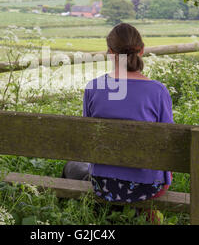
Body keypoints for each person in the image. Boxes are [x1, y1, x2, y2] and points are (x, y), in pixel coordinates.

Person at [62, 22, 173, 223]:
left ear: (110, 52)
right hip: (149, 187)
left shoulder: (94, 88)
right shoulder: (158, 91)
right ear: (142, 51)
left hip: (104, 185)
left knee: (72, 166)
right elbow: (169, 145)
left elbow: (88, 138)